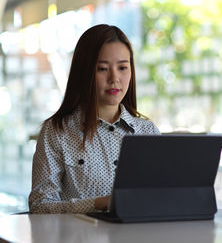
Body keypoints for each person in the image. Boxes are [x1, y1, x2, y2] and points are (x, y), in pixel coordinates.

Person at [29, 24, 160, 214]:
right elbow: (39, 207)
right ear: (85, 72)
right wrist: (98, 203)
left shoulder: (147, 132)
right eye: (102, 69)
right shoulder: (57, 131)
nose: (114, 78)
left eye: (123, 67)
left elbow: (161, 198)